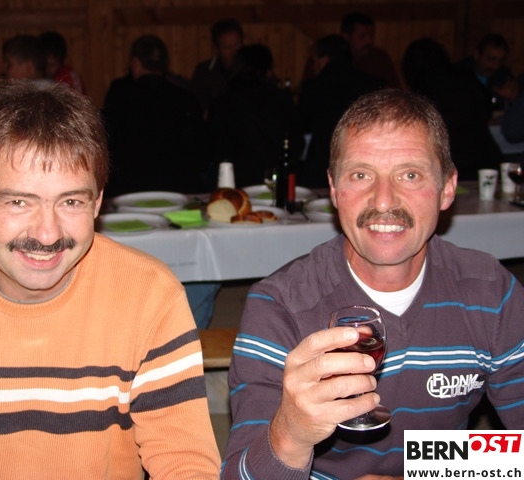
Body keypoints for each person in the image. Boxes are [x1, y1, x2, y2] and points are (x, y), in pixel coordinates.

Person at [0, 81, 221, 478]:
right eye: (18, 201)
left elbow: (186, 462)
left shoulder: (150, 296)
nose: (47, 234)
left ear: (98, 201)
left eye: (71, 201)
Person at [222, 89, 524, 479]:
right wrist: (291, 434)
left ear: (447, 188)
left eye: (410, 174)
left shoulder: (491, 293)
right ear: (333, 189)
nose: (383, 201)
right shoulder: (280, 305)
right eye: (361, 175)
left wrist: (424, 471)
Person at [102, 34, 208, 197]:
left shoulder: (118, 98)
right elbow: (201, 154)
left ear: (136, 63)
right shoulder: (185, 98)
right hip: (179, 191)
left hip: (128, 193)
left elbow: (106, 147)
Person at [402, 37, 503, 180]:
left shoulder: (424, 93)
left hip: (455, 167)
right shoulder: (468, 79)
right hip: (487, 162)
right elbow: (486, 113)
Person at [207, 43, 302, 189]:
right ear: (267, 70)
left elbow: (215, 149)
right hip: (275, 182)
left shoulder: (222, 101)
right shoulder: (281, 99)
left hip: (236, 183)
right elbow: (296, 143)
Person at [297, 34, 384, 188]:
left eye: (314, 61)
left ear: (324, 59)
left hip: (320, 168)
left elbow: (303, 133)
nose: (313, 66)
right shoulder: (373, 83)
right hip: (364, 164)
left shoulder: (313, 87)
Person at [191, 18, 244, 112]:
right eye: (228, 48)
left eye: (238, 46)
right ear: (216, 49)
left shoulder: (253, 70)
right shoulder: (204, 73)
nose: (234, 52)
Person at [340, 12, 400, 88]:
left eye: (371, 35)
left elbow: (394, 89)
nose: (369, 41)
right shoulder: (338, 60)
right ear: (346, 37)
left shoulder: (380, 58)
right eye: (362, 36)